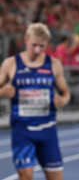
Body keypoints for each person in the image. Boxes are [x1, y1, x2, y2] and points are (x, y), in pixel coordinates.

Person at [0, 23, 70, 180]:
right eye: (34, 45)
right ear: (26, 40)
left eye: (42, 46)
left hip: (47, 130)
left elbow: (65, 93)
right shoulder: (11, 64)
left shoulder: (54, 64)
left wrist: (62, 100)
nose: (37, 50)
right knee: (25, 176)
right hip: (22, 130)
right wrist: (2, 91)